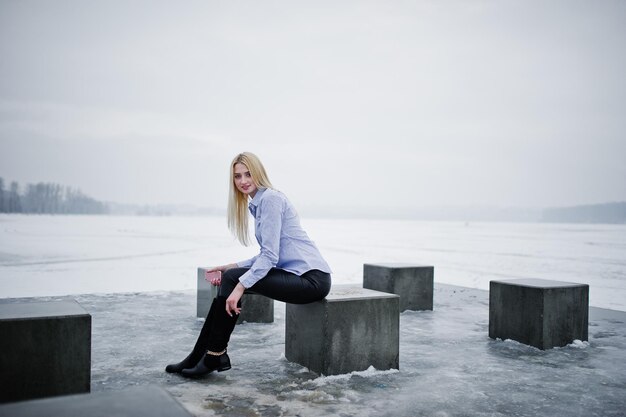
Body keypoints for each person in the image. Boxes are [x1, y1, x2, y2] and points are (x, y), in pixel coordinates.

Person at [166, 151, 332, 378]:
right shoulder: (259, 203)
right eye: (237, 176)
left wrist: (241, 285)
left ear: (258, 174)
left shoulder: (271, 200)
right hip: (297, 275)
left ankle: (213, 355)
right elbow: (267, 254)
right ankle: (199, 355)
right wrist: (229, 266)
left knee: (235, 279)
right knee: (231, 275)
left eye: (247, 174)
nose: (243, 181)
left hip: (311, 280)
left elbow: (270, 257)